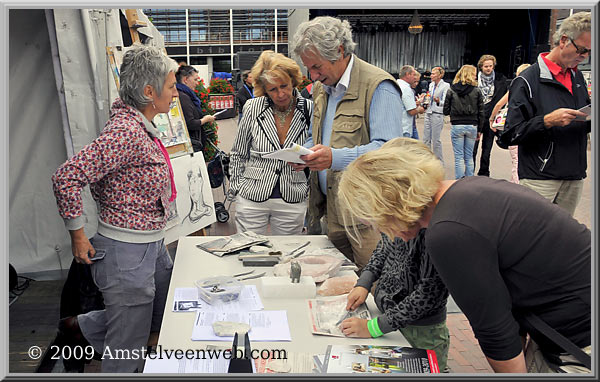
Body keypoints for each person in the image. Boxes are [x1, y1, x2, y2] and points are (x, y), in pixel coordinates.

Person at [337, 137, 591, 373]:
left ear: (390, 203)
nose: (384, 231)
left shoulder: (448, 232)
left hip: (579, 337)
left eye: (377, 221)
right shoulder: (466, 191)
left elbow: (495, 330)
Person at [51, 44, 179, 372]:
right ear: (149, 91)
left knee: (155, 315)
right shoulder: (125, 133)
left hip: (148, 244)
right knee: (127, 349)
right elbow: (66, 177)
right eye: (170, 84)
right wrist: (77, 237)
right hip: (126, 252)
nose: (175, 91)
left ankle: (82, 327)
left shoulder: (139, 124)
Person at [291, 16, 404, 269]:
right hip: (331, 213)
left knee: (374, 291)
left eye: (317, 67)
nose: (313, 75)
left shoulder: (378, 86)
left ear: (340, 51)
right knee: (339, 289)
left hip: (367, 219)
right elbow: (316, 135)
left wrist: (334, 158)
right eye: (308, 68)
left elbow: (389, 151)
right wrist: (307, 155)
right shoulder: (322, 87)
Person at [503, 11, 591, 215]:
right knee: (531, 237)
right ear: (563, 40)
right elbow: (509, 134)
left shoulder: (577, 78)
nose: (585, 57)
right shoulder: (527, 80)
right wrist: (547, 121)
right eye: (582, 50)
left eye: (589, 52)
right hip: (540, 177)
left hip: (574, 175)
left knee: (560, 237)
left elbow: (581, 119)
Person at [341, 228, 450, 372]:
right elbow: (382, 250)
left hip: (422, 334)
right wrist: (364, 283)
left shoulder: (434, 236)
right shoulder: (394, 221)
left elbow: (426, 297)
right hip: (389, 322)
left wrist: (372, 328)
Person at [229, 50, 312, 235]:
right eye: (273, 89)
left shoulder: (309, 109)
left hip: (292, 195)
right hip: (252, 196)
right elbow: (238, 152)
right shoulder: (253, 107)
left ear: (293, 81)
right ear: (264, 89)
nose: (281, 94)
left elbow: (315, 150)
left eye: (284, 86)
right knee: (249, 253)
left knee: (287, 254)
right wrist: (237, 189)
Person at [489, 63, 531, 184]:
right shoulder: (536, 89)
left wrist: (492, 119)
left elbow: (498, 104)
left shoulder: (516, 87)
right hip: (530, 129)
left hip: (516, 129)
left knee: (516, 161)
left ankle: (516, 186)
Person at [443, 64, 484, 179]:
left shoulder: (451, 90)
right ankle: (470, 180)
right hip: (472, 125)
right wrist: (480, 130)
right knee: (469, 156)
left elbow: (445, 110)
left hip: (457, 125)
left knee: (458, 156)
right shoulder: (477, 91)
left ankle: (459, 181)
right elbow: (481, 111)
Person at [472, 54, 508, 177]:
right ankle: (470, 171)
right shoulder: (473, 79)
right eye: (486, 66)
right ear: (481, 67)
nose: (488, 69)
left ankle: (484, 171)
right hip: (476, 116)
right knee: (473, 147)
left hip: (491, 116)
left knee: (487, 148)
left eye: (491, 66)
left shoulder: (500, 79)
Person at [176, 65, 216, 152]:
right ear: (185, 80)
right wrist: (205, 119)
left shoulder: (184, 94)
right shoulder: (183, 97)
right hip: (192, 146)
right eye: (195, 79)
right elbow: (190, 123)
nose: (197, 83)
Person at [422, 66, 450, 164]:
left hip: (437, 113)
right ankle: (427, 160)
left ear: (440, 75)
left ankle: (439, 161)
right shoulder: (431, 85)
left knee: (436, 139)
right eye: (431, 73)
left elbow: (446, 101)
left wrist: (439, 101)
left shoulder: (445, 85)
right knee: (425, 138)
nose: (431, 75)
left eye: (433, 74)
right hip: (428, 111)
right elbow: (429, 96)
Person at [397, 65, 425, 138]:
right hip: (405, 128)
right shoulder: (406, 89)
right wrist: (420, 109)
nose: (414, 77)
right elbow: (411, 111)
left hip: (398, 126)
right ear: (407, 75)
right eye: (413, 75)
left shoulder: (397, 85)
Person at [410, 71, 425, 139]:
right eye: (415, 81)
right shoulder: (408, 90)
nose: (416, 84)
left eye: (417, 82)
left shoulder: (413, 91)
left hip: (413, 123)